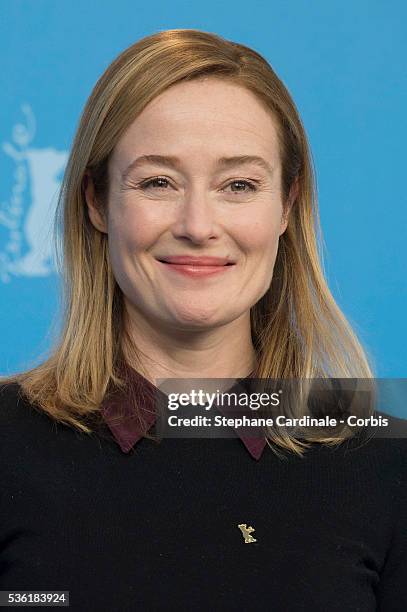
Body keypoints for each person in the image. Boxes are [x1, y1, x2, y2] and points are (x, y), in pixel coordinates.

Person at [0, 28, 406, 611]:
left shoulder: (385, 465)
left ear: (287, 207)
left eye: (238, 185)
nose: (198, 224)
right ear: (96, 202)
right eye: (158, 182)